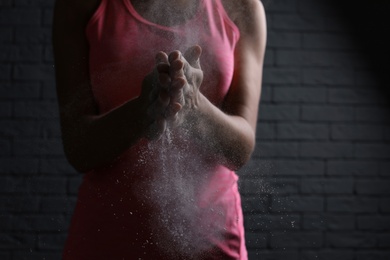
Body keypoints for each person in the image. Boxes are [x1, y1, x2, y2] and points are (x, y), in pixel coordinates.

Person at [52, 0, 266, 259]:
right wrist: (143, 111)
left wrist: (193, 106)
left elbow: (239, 151)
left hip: (212, 242)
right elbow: (78, 148)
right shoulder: (80, 6)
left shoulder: (242, 7)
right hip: (108, 240)